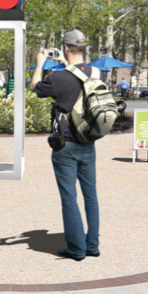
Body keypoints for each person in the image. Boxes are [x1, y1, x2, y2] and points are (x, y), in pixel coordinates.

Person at [30, 29, 100, 262]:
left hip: (65, 145)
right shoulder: (96, 72)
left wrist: (41, 63)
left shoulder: (59, 78)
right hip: (88, 142)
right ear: (83, 48)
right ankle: (92, 245)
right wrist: (65, 62)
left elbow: (35, 87)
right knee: (90, 195)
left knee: (69, 197)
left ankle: (76, 249)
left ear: (66, 48)